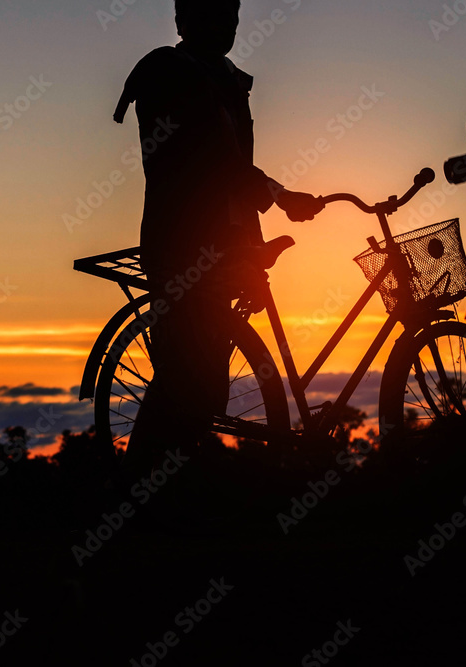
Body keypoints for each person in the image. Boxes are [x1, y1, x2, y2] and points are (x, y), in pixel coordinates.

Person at [112, 0, 323, 486]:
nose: (224, 26)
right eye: (211, 16)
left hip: (224, 244)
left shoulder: (227, 80)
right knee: (185, 377)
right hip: (180, 245)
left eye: (231, 16)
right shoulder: (171, 73)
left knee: (205, 388)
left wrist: (254, 236)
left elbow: (231, 169)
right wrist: (278, 193)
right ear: (184, 22)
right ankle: (130, 488)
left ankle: (163, 492)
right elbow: (210, 162)